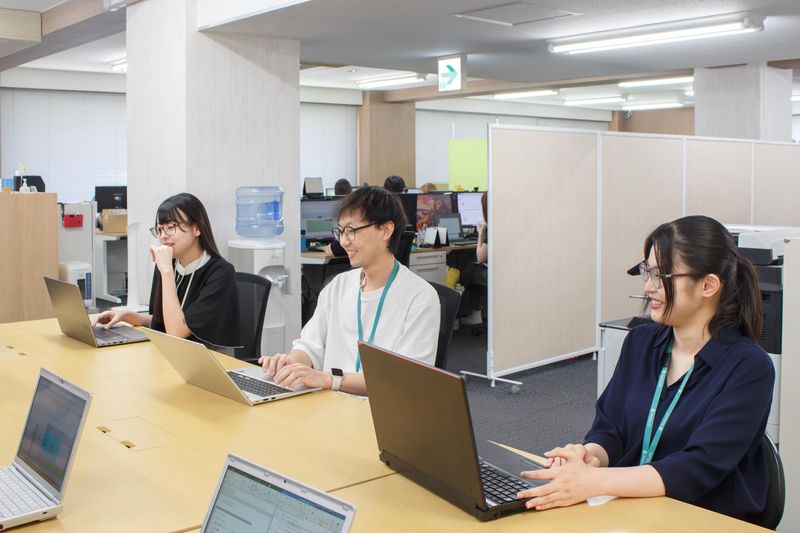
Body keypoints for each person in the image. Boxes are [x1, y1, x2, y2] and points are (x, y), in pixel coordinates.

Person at [517, 215, 774, 522]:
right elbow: (610, 429)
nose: (648, 286)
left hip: (702, 517)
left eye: (661, 275)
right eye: (647, 271)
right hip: (629, 509)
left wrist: (593, 482)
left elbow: (698, 467)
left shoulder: (749, 367)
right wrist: (591, 456)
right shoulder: (641, 342)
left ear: (708, 285)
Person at [261, 186, 440, 395]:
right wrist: (290, 365)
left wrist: (330, 380)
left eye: (351, 231)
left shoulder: (420, 297)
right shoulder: (337, 286)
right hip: (329, 404)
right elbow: (309, 345)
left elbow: (405, 379)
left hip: (380, 410)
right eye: (341, 232)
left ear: (385, 230)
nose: (344, 242)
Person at [93, 193, 241, 349]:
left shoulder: (220, 272)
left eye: (171, 227)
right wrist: (126, 316)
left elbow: (176, 332)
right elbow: (163, 321)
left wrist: (166, 271)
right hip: (170, 353)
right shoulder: (169, 264)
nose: (163, 236)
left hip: (208, 358)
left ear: (196, 228)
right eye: (159, 229)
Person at [460, 191, 487, 326]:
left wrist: (481, 233)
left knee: (468, 270)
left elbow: (480, 257)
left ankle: (475, 314)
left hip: (491, 274)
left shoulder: (491, 228)